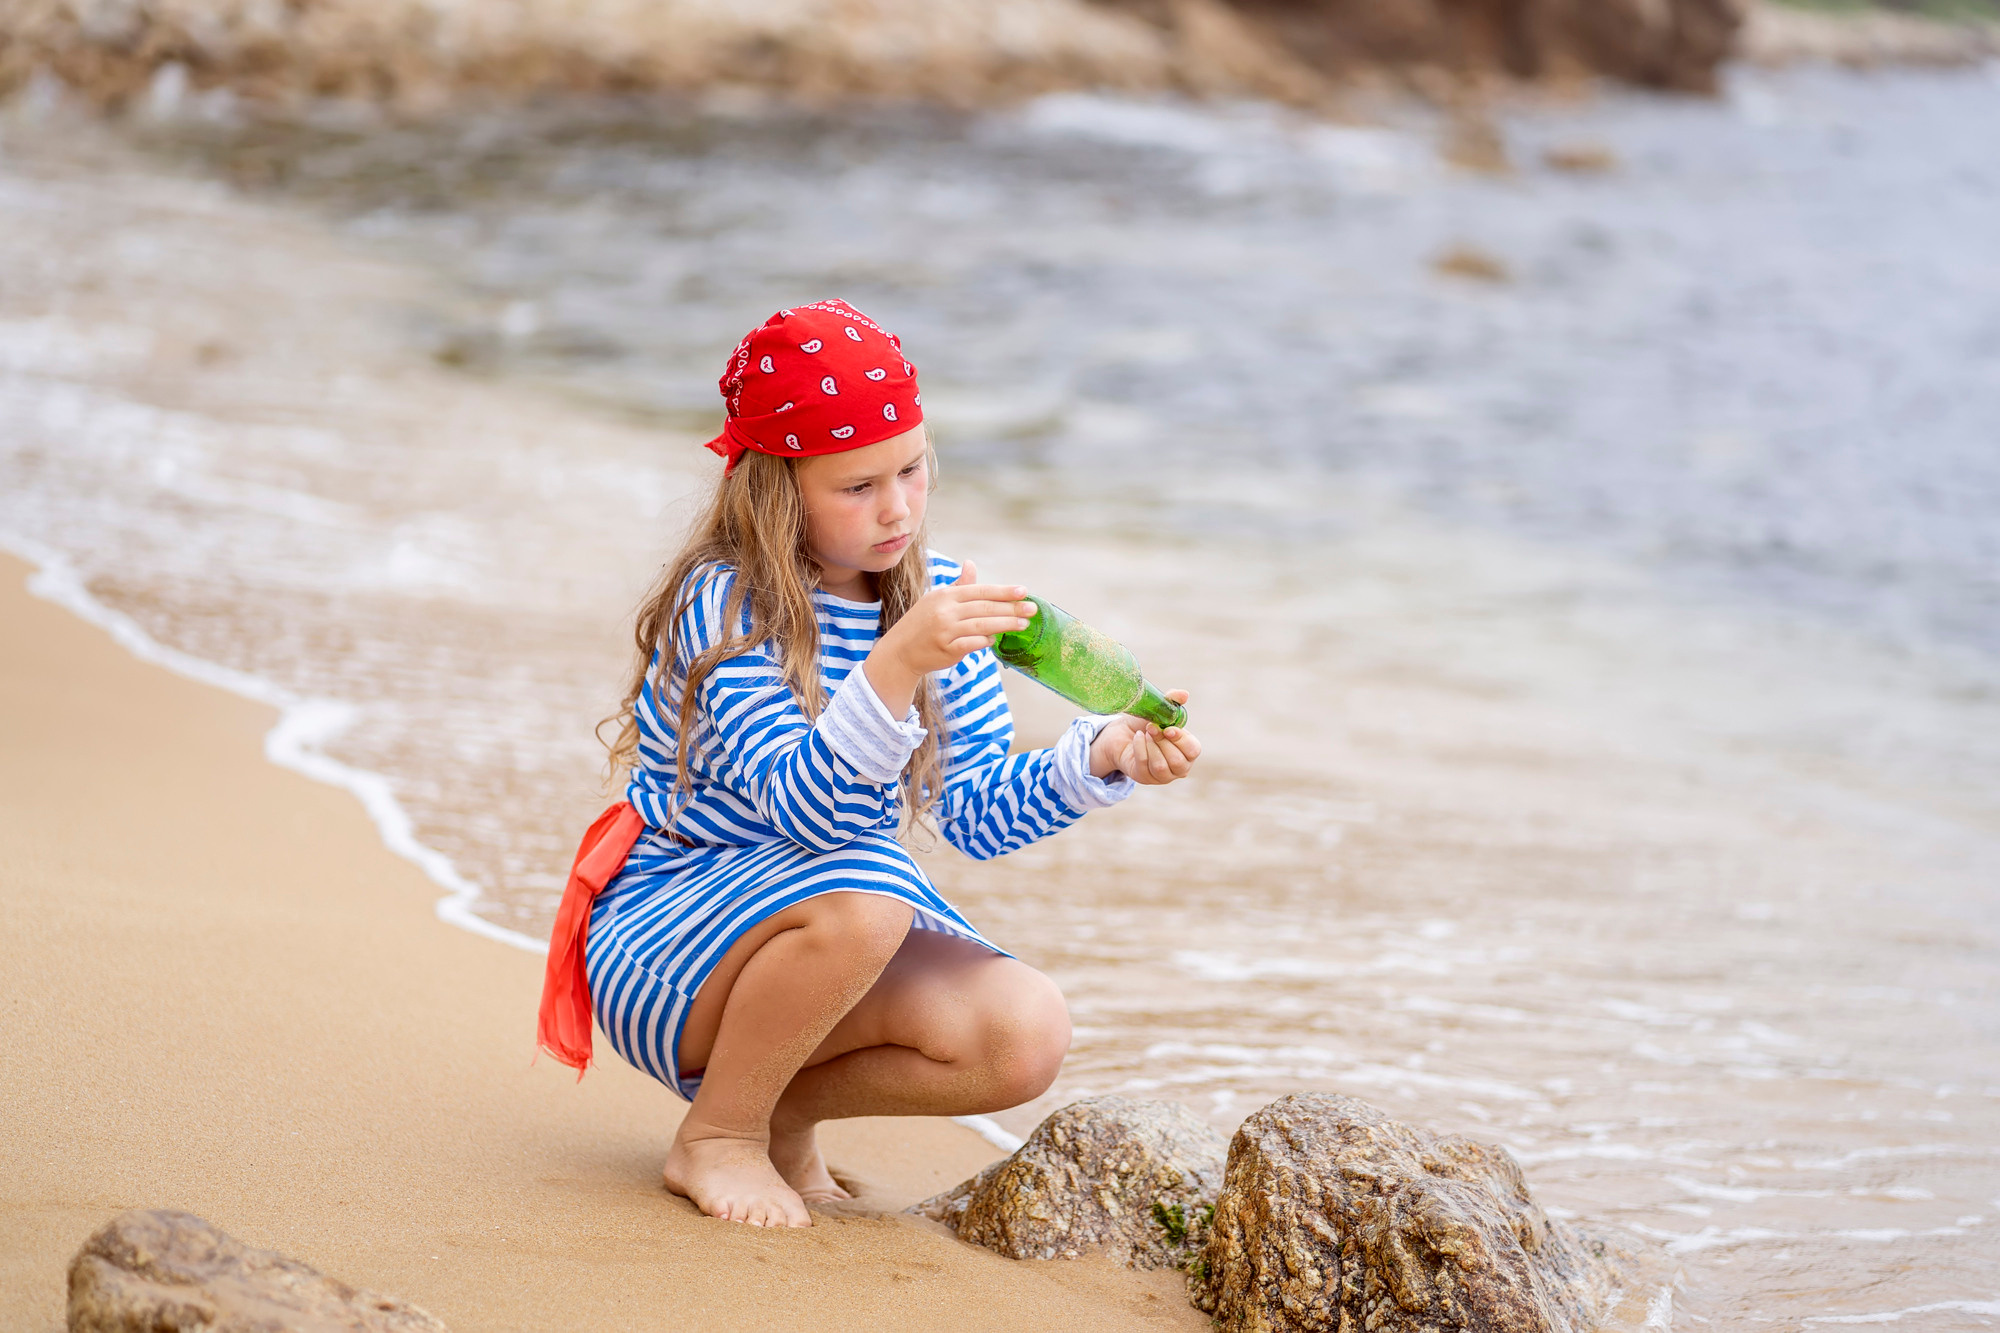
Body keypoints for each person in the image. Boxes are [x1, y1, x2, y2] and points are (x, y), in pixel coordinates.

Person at [537, 299, 1201, 1228]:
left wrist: (1099, 755)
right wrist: (896, 665)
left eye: (913, 469)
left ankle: (778, 1113)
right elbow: (802, 809)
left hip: (832, 923)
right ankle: (719, 1133)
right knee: (870, 889)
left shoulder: (934, 596)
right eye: (857, 486)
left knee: (1024, 1032)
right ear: (777, 488)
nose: (897, 508)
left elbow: (973, 812)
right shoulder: (726, 603)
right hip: (669, 935)